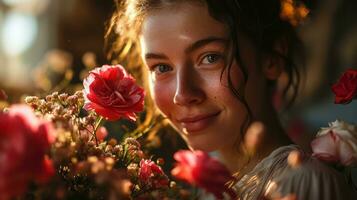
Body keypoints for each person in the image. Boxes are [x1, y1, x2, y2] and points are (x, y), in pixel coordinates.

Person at [105, 0, 356, 199]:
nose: (182, 94)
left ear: (272, 58)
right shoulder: (202, 189)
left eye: (210, 58)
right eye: (161, 68)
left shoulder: (302, 185)